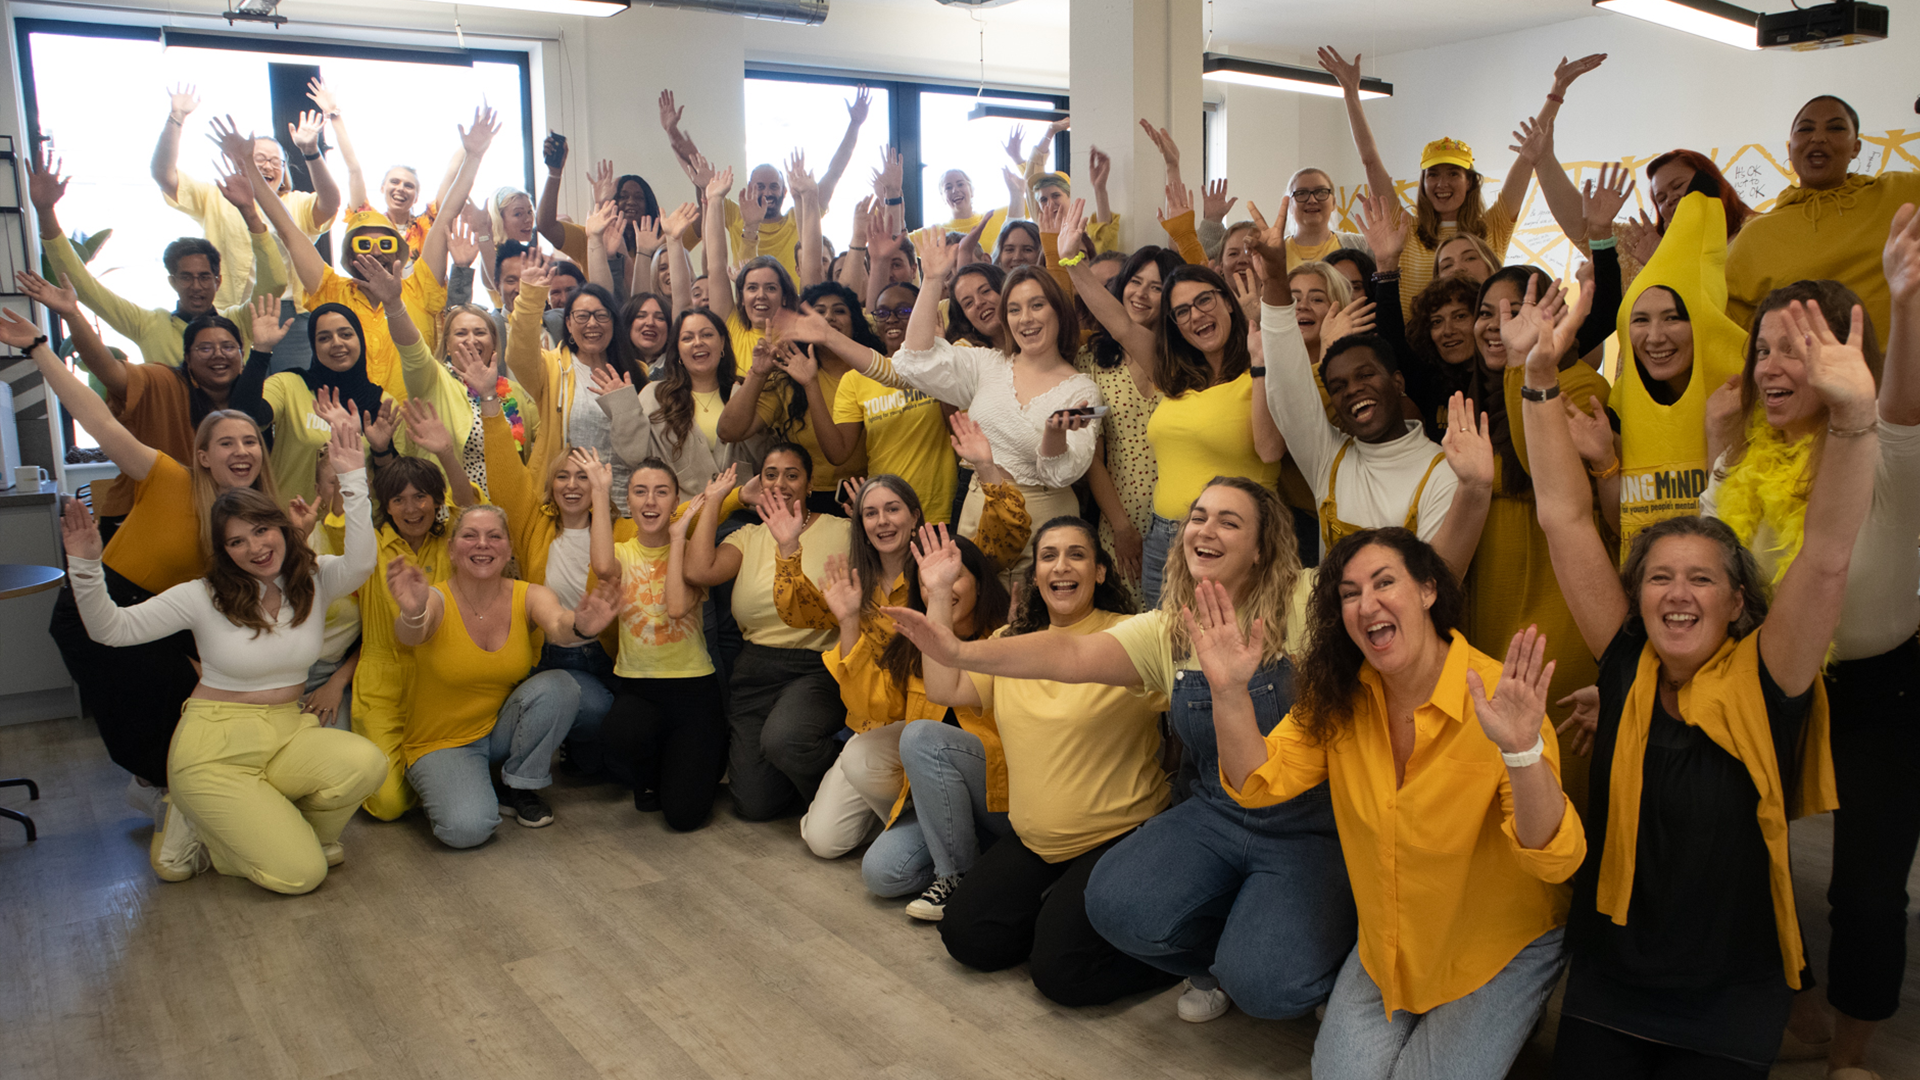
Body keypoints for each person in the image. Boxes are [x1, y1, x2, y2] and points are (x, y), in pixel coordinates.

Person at [1528, 270, 1882, 1079]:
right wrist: (1541, 379)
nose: (1678, 593)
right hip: (1612, 974)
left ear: (1737, 602)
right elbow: (1564, 512)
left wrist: (1858, 418)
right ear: (1636, 596)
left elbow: (1826, 557)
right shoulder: (1624, 659)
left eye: (1701, 579)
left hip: (1733, 988)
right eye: (1659, 576)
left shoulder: (1771, 673)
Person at [1216, 527, 1583, 1077]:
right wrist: (1228, 690)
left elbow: (1554, 858)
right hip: (1391, 943)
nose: (1368, 604)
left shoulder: (1498, 697)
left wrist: (1521, 751)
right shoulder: (1339, 692)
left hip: (1497, 946)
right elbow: (1257, 782)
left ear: (1428, 591)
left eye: (1385, 582)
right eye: (1348, 593)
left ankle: (1514, 1013)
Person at [1700, 253, 1919, 1078]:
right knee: (1752, 861)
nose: (1773, 366)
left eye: (1797, 346)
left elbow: (1897, 401)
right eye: (1763, 349)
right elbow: (1709, 565)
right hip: (1772, 687)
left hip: (1880, 688)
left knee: (1866, 889)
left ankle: (1856, 1052)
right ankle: (1799, 1003)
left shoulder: (1884, 448)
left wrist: (1905, 299)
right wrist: (1721, 447)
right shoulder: (1749, 460)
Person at [62, 419, 385, 892]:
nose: (255, 548)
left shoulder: (312, 579)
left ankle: (284, 831)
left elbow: (361, 561)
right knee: (303, 874)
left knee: (366, 763)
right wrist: (87, 567)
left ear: (281, 526)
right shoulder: (202, 596)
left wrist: (354, 479)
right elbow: (111, 630)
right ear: (224, 551)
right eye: (236, 541)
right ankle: (200, 822)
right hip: (214, 746)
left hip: (286, 731)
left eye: (261, 531)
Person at [4, 301, 292, 813]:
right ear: (203, 455)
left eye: (250, 441)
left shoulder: (254, 513)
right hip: (101, 605)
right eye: (225, 443)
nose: (240, 451)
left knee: (201, 699)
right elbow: (95, 416)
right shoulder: (167, 476)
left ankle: (168, 787)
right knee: (167, 701)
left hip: (169, 613)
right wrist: (37, 348)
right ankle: (158, 787)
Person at [878, 515, 1176, 1006]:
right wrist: (937, 593)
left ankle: (1176, 957)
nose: (1061, 566)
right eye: (1048, 556)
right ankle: (1059, 917)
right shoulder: (1008, 646)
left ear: (1100, 572)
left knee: (1061, 977)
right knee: (967, 938)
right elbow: (944, 686)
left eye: (1077, 554)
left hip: (1117, 836)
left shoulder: (1134, 636)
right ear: (1034, 576)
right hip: (1036, 839)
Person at [780, 458, 1031, 861]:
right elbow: (870, 702)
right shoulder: (855, 583)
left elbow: (1003, 538)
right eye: (871, 512)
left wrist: (985, 466)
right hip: (887, 725)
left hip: (956, 738)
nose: (882, 521)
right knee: (824, 840)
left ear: (916, 516)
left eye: (892, 508)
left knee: (887, 762)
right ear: (859, 523)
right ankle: (920, 822)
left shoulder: (945, 561)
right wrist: (845, 618)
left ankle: (935, 830)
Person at [1059, 199, 1283, 606]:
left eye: (1204, 301)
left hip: (1237, 536)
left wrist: (1264, 354)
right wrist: (1071, 261)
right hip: (1164, 536)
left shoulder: (1260, 367)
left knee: (1228, 654)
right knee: (1164, 658)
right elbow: (1121, 323)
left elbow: (1269, 450)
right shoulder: (1175, 374)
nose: (1195, 316)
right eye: (1181, 311)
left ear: (1227, 301)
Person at [1250, 207, 1489, 582]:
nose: (1353, 389)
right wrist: (1276, 278)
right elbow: (1287, 387)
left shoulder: (1443, 470)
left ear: (1397, 382)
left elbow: (1437, 590)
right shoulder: (1330, 458)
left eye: (1365, 375)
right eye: (1338, 386)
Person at [386, 505, 621, 846]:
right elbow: (411, 634)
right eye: (470, 536)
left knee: (560, 685)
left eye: (494, 536)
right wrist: (411, 611)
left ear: (509, 549)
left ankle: (519, 786)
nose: (483, 544)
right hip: (443, 742)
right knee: (467, 830)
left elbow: (558, 625)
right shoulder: (435, 598)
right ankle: (469, 782)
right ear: (452, 550)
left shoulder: (528, 594)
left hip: (501, 730)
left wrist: (582, 625)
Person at [227, 108, 495, 403]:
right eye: (365, 246)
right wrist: (248, 168)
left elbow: (444, 217)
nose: (376, 253)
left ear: (401, 253)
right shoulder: (332, 291)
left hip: (417, 428)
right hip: (347, 428)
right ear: (349, 255)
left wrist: (474, 157)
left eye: (386, 245)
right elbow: (289, 231)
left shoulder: (419, 288)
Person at [1320, 46, 1605, 320]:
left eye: (1453, 174)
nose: (1442, 183)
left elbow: (1529, 156)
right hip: (1414, 354)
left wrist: (1557, 91)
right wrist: (1350, 93)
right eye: (1433, 174)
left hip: (1478, 348)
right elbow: (1370, 160)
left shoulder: (1492, 227)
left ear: (1470, 182)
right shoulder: (1404, 229)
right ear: (1424, 183)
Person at [460, 333, 631, 780]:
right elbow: (504, 474)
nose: (572, 485)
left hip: (602, 656)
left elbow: (675, 519)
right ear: (552, 485)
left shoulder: (622, 530)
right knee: (586, 705)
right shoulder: (532, 523)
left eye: (583, 477)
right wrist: (490, 402)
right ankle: (524, 772)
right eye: (563, 477)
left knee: (607, 735)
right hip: (547, 655)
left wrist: (727, 499)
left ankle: (576, 746)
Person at [895, 234, 1101, 588]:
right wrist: (930, 281)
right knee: (980, 617)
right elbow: (913, 363)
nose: (1026, 319)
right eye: (1015, 309)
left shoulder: (1080, 388)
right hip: (980, 509)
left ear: (1058, 310)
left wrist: (1054, 433)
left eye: (1037, 305)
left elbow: (1061, 474)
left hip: (1047, 523)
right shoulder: (986, 364)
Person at [12, 271, 275, 529]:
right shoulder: (163, 383)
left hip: (212, 525)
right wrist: (70, 315)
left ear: (241, 356)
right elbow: (107, 370)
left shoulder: (252, 401)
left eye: (229, 347)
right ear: (188, 358)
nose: (218, 355)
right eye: (205, 348)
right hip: (142, 520)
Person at [684, 445, 852, 820]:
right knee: (754, 804)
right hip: (755, 669)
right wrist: (714, 500)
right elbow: (698, 572)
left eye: (792, 474)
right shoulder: (747, 536)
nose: (781, 483)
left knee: (785, 739)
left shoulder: (842, 530)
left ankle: (846, 797)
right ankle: (802, 775)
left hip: (816, 667)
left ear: (809, 485)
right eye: (771, 474)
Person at [29, 146, 286, 375]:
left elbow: (274, 282)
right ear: (172, 281)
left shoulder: (238, 322)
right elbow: (84, 287)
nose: (196, 286)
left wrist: (250, 212)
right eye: (186, 277)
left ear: (218, 281)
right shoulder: (150, 325)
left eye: (204, 277)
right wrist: (45, 213)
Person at [1606, 192, 1749, 551]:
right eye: (1640, 320)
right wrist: (1602, 460)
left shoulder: (1746, 397)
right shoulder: (1618, 406)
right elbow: (1620, 523)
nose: (1655, 338)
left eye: (1673, 318)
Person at [592, 459, 729, 829]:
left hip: (694, 690)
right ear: (629, 501)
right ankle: (651, 773)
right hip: (640, 688)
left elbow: (676, 607)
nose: (650, 501)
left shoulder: (692, 549)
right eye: (640, 492)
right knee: (619, 732)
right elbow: (603, 567)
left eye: (661, 492)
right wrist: (599, 489)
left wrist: (678, 538)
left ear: (676, 501)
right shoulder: (622, 553)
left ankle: (693, 765)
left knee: (684, 818)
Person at [1726, 96, 1920, 353]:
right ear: (1789, 148)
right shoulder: (1755, 235)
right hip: (1800, 381)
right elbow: (1729, 325)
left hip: (1896, 379)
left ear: (1856, 148)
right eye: (1805, 129)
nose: (1818, 138)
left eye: (1836, 128)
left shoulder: (1900, 192)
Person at [352, 451, 477, 821]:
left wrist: (445, 453)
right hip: (381, 680)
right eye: (399, 499)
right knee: (387, 804)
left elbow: (469, 507)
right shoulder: (370, 545)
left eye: (420, 496)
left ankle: (444, 784)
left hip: (441, 680)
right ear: (386, 507)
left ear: (437, 501)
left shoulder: (451, 544)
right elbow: (340, 520)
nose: (411, 508)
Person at [152, 83, 339, 324]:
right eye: (257, 158)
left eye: (276, 161)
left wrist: (311, 152)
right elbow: (164, 175)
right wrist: (176, 118)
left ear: (284, 170)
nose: (267, 166)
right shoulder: (216, 196)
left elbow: (330, 203)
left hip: (291, 312)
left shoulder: (295, 202)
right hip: (233, 310)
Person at [660, 86, 869, 281]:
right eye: (760, 186)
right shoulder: (735, 215)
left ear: (785, 191)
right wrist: (672, 132)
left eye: (773, 186)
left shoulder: (798, 219)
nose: (766, 192)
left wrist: (855, 125)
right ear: (750, 188)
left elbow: (833, 173)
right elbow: (700, 174)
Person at [1071, 244, 1182, 595]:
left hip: (1184, 517)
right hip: (1120, 516)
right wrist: (1121, 527)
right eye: (1135, 281)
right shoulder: (1091, 360)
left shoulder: (1186, 361)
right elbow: (1092, 456)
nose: (1142, 294)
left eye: (1157, 287)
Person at [506, 247, 648, 513]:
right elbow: (518, 355)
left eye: (601, 315)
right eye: (582, 316)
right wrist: (530, 298)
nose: (592, 324)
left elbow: (642, 449)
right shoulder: (552, 367)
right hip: (568, 510)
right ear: (568, 324)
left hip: (626, 509)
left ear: (614, 322)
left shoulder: (637, 372)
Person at [1283, 168, 1369, 270]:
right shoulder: (1274, 251)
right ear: (1290, 205)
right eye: (1301, 193)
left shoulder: (1360, 245)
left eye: (1321, 192)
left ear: (1333, 203)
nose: (1312, 200)